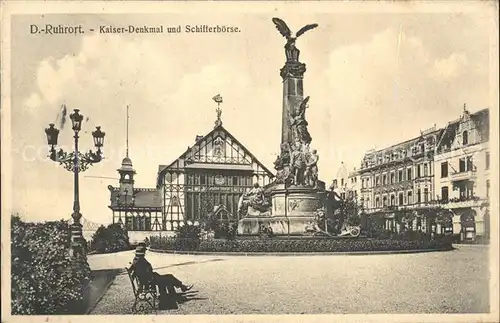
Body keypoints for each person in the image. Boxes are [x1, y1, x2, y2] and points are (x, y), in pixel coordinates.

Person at [129, 244, 193, 309]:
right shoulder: (141, 261)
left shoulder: (136, 260)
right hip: (150, 280)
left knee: (168, 278)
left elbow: (143, 272)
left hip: (149, 279)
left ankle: (177, 291)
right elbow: (148, 271)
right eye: (144, 252)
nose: (145, 253)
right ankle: (180, 289)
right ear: (142, 253)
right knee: (169, 278)